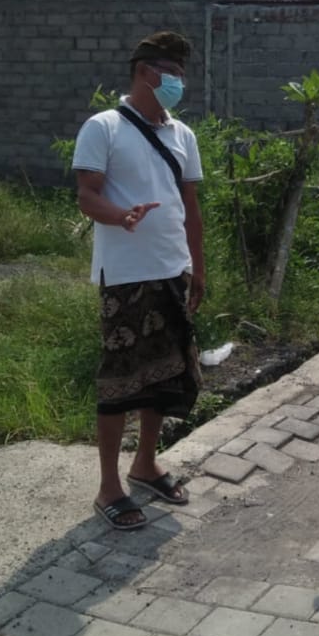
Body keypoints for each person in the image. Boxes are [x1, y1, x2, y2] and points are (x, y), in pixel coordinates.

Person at [72, 31, 206, 531]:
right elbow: (87, 195)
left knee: (165, 375)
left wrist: (198, 266)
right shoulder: (103, 127)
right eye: (172, 72)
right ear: (147, 72)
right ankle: (109, 487)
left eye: (181, 73)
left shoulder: (182, 135)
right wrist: (120, 215)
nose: (178, 82)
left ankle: (146, 464)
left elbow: (190, 207)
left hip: (173, 269)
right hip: (126, 276)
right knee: (120, 381)